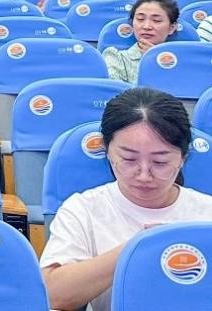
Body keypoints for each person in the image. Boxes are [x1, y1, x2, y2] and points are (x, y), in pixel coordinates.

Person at [41, 87, 212, 311]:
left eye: (160, 162)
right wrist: (139, 248)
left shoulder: (206, 214)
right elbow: (53, 294)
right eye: (129, 159)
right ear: (108, 152)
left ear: (183, 158)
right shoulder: (84, 210)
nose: (144, 175)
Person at [101, 0, 179, 84]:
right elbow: (115, 91)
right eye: (140, 19)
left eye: (156, 20)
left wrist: (157, 59)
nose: (146, 26)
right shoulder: (117, 58)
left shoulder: (183, 59)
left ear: (171, 28)